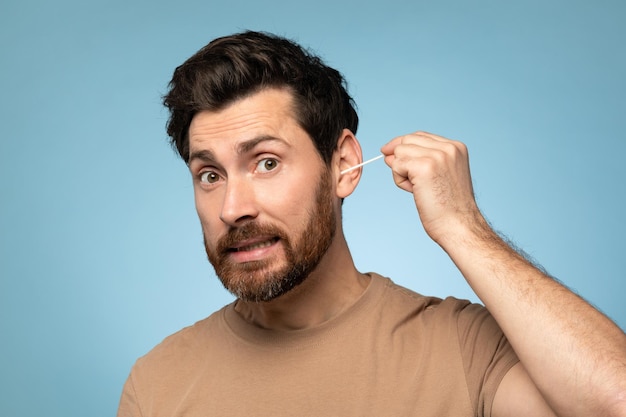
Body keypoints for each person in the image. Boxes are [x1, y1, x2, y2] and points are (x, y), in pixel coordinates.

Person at [117, 31, 626, 417]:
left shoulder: (465, 348)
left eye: (266, 162)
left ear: (343, 165)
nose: (232, 207)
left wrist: (465, 228)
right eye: (209, 174)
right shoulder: (157, 383)